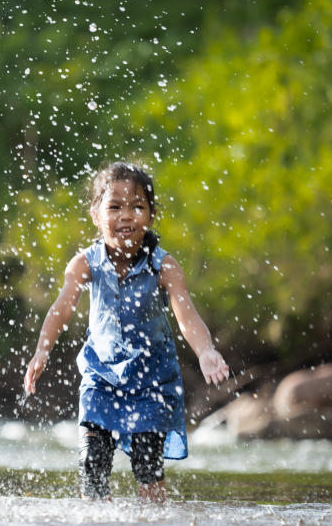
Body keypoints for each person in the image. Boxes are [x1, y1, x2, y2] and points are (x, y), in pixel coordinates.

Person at [23, 162, 228, 502]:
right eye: (114, 206)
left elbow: (186, 314)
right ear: (96, 213)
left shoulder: (163, 266)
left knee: (147, 466)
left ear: (151, 215)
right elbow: (61, 308)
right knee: (92, 459)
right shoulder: (84, 264)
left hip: (152, 381)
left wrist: (205, 351)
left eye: (137, 207)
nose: (126, 216)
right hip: (101, 376)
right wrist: (42, 350)